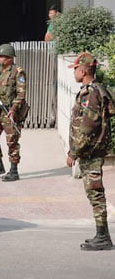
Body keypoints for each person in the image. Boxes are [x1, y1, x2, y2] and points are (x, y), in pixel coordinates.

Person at [66, 52, 114, 251]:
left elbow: (87, 126)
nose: (74, 72)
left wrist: (73, 152)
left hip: (91, 152)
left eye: (76, 68)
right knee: (94, 193)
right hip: (92, 151)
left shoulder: (90, 94)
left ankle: (103, 237)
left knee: (95, 193)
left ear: (83, 70)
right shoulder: (95, 90)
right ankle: (101, 234)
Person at [0, 43, 28, 182]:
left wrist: (14, 110)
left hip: (10, 111)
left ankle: (14, 171)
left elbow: (21, 94)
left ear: (9, 58)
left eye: (1, 57)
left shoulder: (18, 72)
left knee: (12, 141)